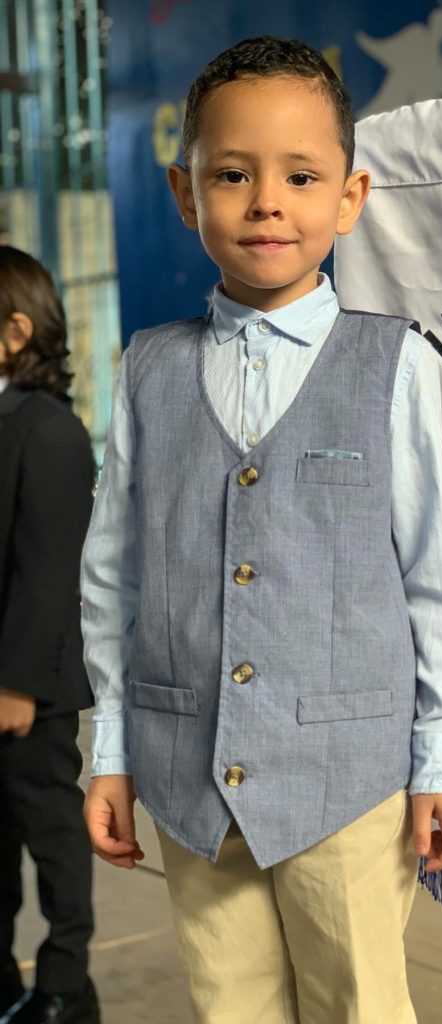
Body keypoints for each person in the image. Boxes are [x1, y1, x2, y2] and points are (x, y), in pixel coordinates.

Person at [81, 35, 442, 1024]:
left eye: (301, 176)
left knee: (359, 1006)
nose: (267, 202)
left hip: (350, 780)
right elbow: (113, 575)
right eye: (232, 175)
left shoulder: (394, 364)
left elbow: (435, 576)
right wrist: (112, 750)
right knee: (231, 1005)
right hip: (187, 770)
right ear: (185, 194)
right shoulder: (147, 369)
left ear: (349, 197)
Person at [0, 247, 99, 1024]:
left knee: (52, 835)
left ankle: (66, 983)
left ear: (15, 331)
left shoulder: (49, 431)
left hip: (27, 688)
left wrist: (18, 686)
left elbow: (46, 571)